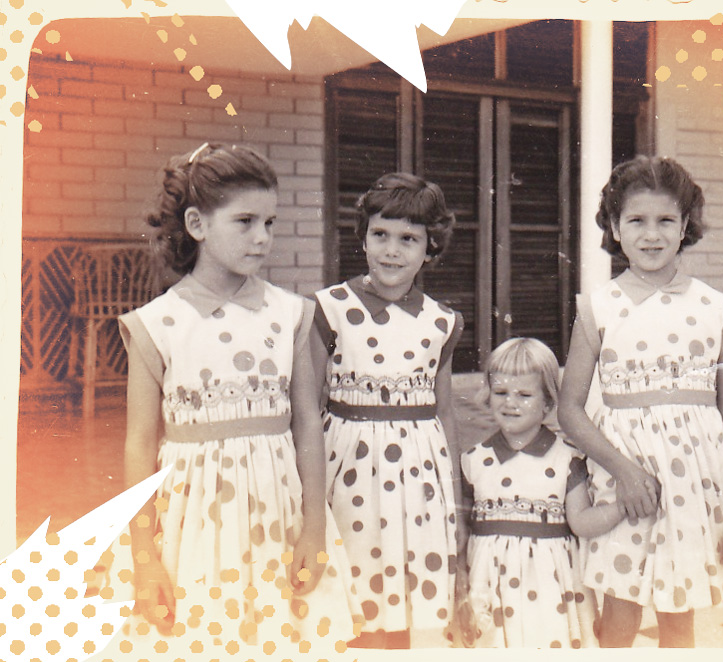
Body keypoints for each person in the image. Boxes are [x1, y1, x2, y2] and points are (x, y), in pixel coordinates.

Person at [105, 142, 360, 659]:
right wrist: (144, 553)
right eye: (245, 221)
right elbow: (139, 443)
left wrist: (313, 527)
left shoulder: (288, 315)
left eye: (270, 222)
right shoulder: (155, 325)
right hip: (191, 525)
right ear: (197, 224)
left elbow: (307, 424)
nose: (262, 238)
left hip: (277, 518)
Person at [558, 155, 723, 648]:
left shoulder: (716, 307)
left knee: (678, 614)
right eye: (636, 221)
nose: (652, 235)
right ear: (614, 227)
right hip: (624, 481)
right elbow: (569, 409)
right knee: (619, 612)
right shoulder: (597, 306)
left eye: (666, 220)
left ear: (685, 225)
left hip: (694, 482)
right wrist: (623, 471)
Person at [313, 172, 466, 649]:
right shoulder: (329, 309)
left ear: (430, 248)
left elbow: (444, 411)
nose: (392, 250)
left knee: (402, 593)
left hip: (418, 473)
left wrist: (456, 492)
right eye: (380, 234)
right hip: (349, 466)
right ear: (363, 237)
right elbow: (310, 400)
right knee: (353, 593)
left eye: (408, 239)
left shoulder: (443, 322)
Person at [460, 337, 620, 648]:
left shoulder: (567, 460)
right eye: (501, 392)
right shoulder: (473, 459)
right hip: (489, 586)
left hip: (552, 590)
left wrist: (622, 506)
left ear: (547, 401)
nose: (511, 402)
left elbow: (582, 522)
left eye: (524, 394)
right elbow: (462, 531)